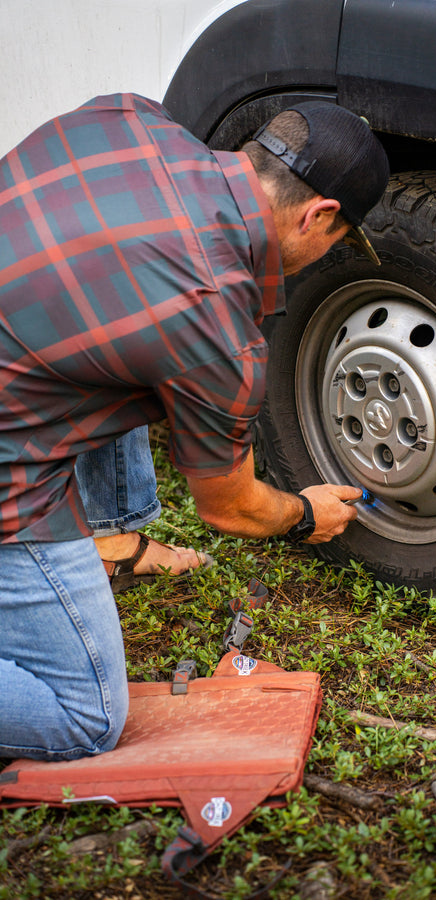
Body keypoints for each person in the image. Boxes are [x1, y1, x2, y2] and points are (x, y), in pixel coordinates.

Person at [0, 93, 390, 761]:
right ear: (319, 215)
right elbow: (229, 507)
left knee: (116, 315)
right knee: (86, 718)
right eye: (337, 241)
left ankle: (114, 538)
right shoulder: (217, 326)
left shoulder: (128, 117)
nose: (328, 253)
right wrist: (302, 514)